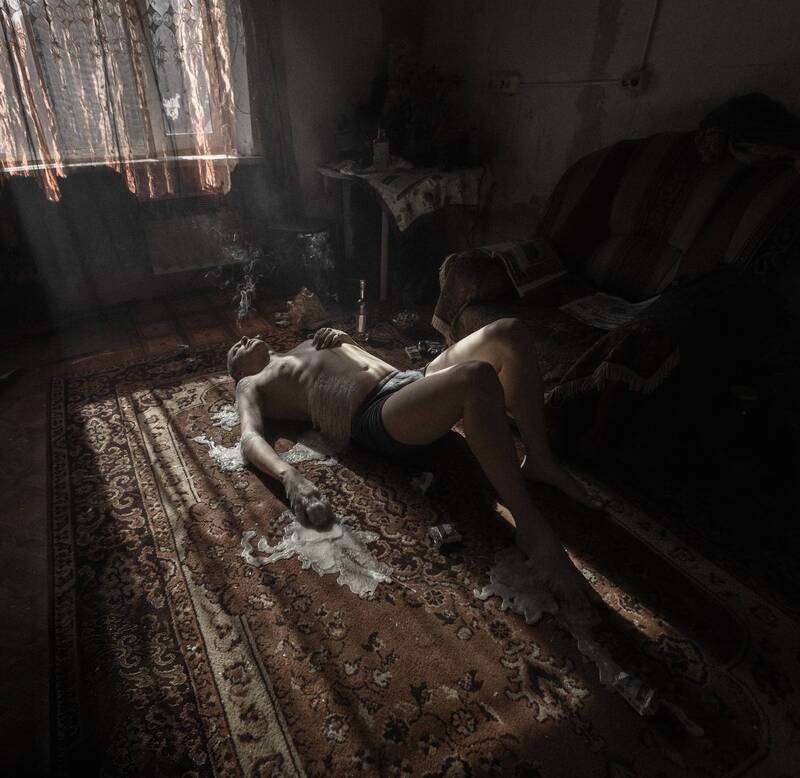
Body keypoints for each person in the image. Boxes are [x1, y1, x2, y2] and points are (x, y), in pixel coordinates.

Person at [229, 318, 602, 613]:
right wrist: (290, 477)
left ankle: (539, 459)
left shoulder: (302, 344)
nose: (243, 340)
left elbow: (352, 366)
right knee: (475, 377)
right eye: (235, 350)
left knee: (509, 331)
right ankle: (530, 525)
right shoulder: (250, 383)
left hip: (410, 379)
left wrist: (349, 342)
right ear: (236, 371)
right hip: (377, 413)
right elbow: (249, 439)